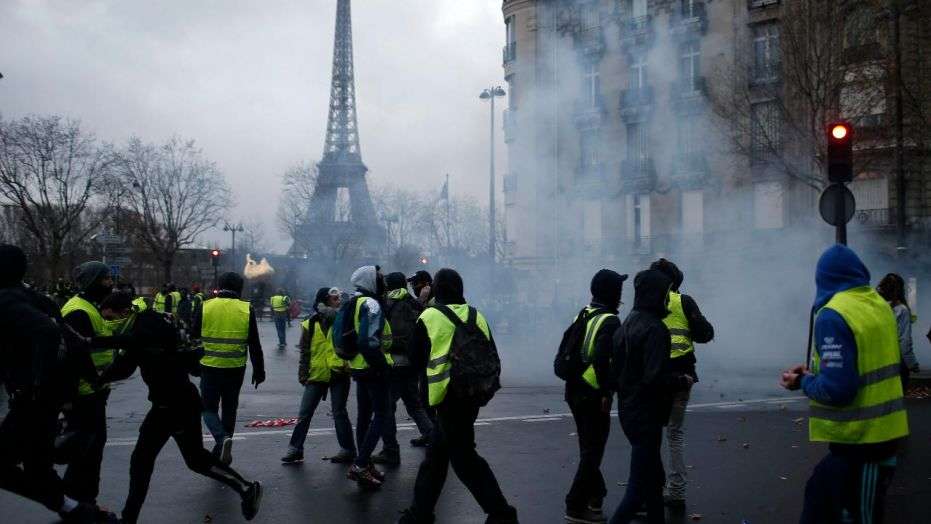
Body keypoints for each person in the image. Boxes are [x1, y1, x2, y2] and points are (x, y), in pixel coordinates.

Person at [94, 292, 262, 523]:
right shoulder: (156, 320)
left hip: (170, 404)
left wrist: (97, 374)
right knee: (195, 459)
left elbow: (126, 362)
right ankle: (245, 488)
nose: (109, 323)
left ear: (124, 313)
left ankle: (129, 518)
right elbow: (135, 358)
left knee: (142, 460)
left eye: (110, 318)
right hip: (182, 399)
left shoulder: (143, 331)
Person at [781, 245, 909, 524]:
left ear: (823, 278)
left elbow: (838, 390)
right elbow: (866, 362)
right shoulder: (878, 306)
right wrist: (817, 372)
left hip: (862, 445)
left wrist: (802, 381)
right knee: (817, 499)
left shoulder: (833, 314)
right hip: (880, 439)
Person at [0, 245, 111, 523]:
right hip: (53, 398)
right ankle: (79, 510)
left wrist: (35, 385)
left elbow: (48, 333)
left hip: (33, 400)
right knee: (39, 467)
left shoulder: (5, 300)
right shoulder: (40, 299)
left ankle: (78, 510)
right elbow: (75, 343)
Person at [398, 268, 518, 524]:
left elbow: (414, 358)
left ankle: (502, 514)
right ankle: (418, 514)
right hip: (473, 395)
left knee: (464, 460)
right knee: (437, 458)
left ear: (436, 290)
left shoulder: (430, 316)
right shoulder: (477, 315)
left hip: (447, 397)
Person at [610, 269, 694, 524]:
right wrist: (681, 379)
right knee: (637, 491)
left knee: (653, 482)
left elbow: (618, 372)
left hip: (628, 411)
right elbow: (653, 378)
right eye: (666, 294)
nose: (669, 300)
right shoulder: (654, 329)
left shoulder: (628, 323)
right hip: (647, 414)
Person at [648, 258, 714, 510]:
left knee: (651, 437)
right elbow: (705, 333)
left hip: (655, 379)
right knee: (674, 434)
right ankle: (676, 492)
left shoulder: (647, 304)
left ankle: (651, 490)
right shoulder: (684, 302)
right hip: (682, 378)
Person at [563, 269, 626, 524]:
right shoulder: (610, 321)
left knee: (587, 447)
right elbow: (602, 359)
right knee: (593, 451)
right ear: (613, 292)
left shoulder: (583, 313)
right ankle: (575, 505)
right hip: (592, 393)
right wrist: (607, 391)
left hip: (574, 390)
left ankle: (596, 495)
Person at [59, 261, 119, 506]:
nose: (110, 283)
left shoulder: (90, 307)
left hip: (93, 391)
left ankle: (79, 499)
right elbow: (76, 353)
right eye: (105, 278)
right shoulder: (78, 310)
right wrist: (94, 380)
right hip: (84, 393)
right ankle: (78, 500)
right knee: (86, 450)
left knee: (91, 448)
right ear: (93, 280)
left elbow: (96, 343)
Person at [193, 271, 266, 465]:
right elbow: (254, 344)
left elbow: (192, 337)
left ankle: (220, 439)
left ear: (220, 284)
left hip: (209, 366)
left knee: (207, 408)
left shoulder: (205, 306)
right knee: (229, 408)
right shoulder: (245, 309)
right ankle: (222, 450)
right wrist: (259, 371)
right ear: (239, 288)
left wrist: (192, 364)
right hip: (235, 368)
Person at [281, 287, 356, 464]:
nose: (338, 301)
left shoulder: (343, 320)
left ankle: (347, 449)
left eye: (339, 298)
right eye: (334, 298)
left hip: (338, 373)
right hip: (316, 374)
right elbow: (305, 352)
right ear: (324, 301)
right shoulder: (311, 323)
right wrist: (303, 374)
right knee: (305, 414)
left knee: (339, 413)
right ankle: (295, 449)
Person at [374, 272, 434, 466]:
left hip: (395, 363)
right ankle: (435, 440)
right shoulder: (414, 302)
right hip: (413, 363)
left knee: (386, 407)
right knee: (414, 405)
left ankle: (390, 450)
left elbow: (389, 334)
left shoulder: (388, 303)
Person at [344, 265, 394, 488]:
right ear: (370, 281)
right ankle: (362, 464)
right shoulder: (371, 304)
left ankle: (364, 464)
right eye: (380, 278)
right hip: (373, 368)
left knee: (364, 416)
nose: (383, 282)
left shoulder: (354, 302)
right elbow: (367, 341)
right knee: (382, 414)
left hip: (358, 367)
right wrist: (381, 365)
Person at [876, 273, 918, 389]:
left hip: (875, 361)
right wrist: (912, 363)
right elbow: (904, 340)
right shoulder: (901, 310)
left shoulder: (874, 307)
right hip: (896, 362)